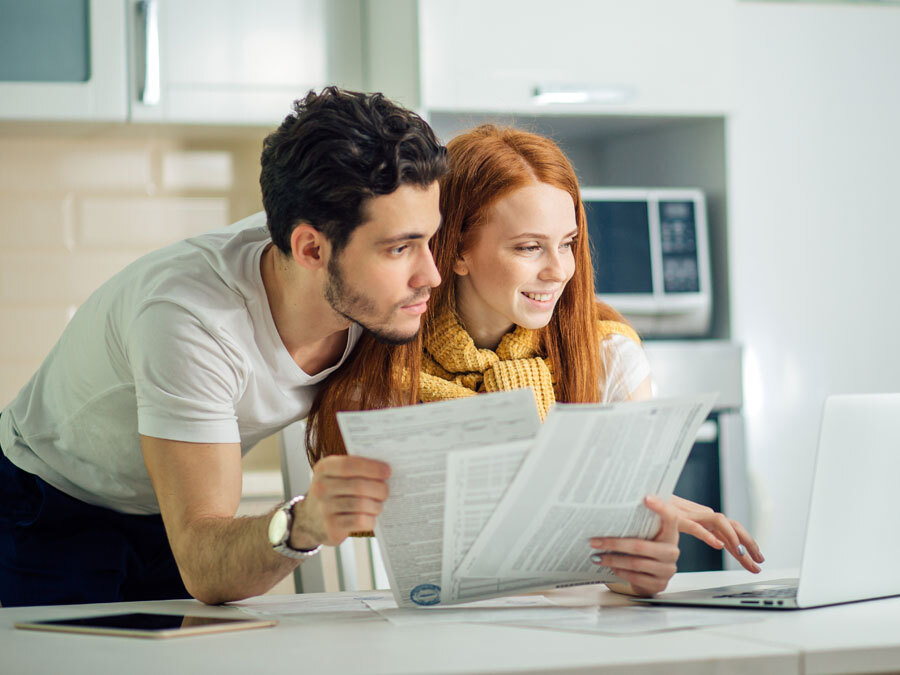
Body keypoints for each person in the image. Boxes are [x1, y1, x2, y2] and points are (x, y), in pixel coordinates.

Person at [0, 87, 448, 607]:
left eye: (429, 241)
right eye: (400, 249)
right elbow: (205, 564)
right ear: (311, 249)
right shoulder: (191, 319)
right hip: (47, 508)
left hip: (175, 519)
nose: (430, 274)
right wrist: (303, 522)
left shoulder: (371, 292)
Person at [309, 125, 764, 597]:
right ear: (457, 249)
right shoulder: (384, 369)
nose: (559, 269)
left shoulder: (608, 356)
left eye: (567, 243)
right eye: (529, 247)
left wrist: (638, 573)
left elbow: (619, 564)